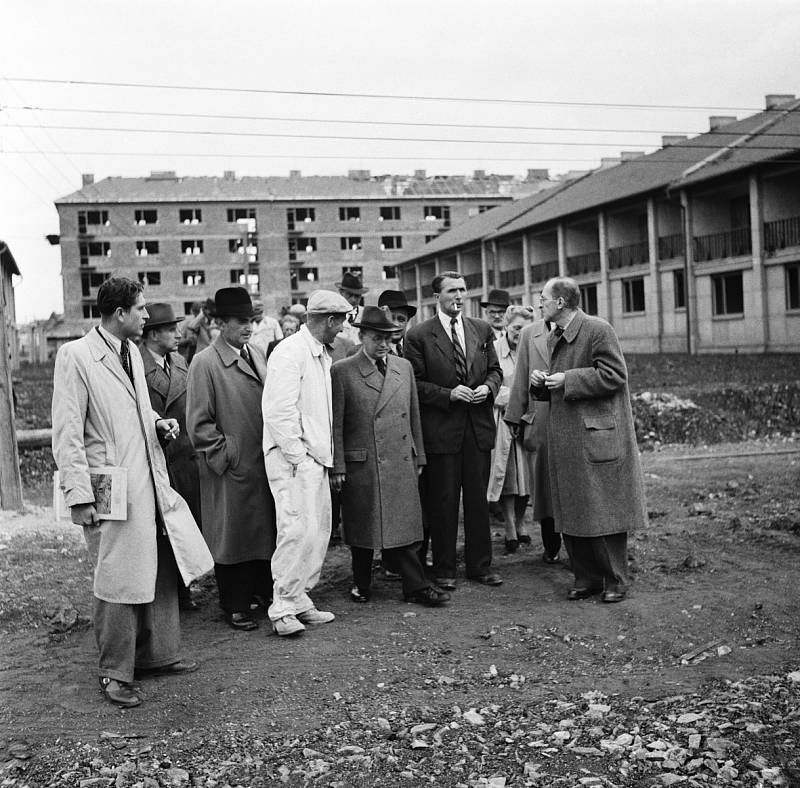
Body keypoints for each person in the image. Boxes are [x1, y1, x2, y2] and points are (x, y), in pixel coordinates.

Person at [52, 277, 212, 708]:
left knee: (156, 563)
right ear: (119, 313)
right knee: (117, 572)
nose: (146, 315)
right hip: (109, 485)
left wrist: (157, 423)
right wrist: (78, 495)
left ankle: (159, 655)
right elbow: (67, 431)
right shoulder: (77, 356)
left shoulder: (132, 356)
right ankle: (114, 672)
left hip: (148, 476)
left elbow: (137, 410)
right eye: (140, 309)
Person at [530, 277, 647, 603]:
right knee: (571, 510)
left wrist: (567, 379)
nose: (539, 303)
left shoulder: (597, 330)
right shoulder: (556, 336)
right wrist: (541, 382)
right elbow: (557, 388)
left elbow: (614, 375)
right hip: (567, 440)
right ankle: (586, 578)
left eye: (543, 298)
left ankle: (615, 581)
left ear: (561, 302)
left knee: (603, 510)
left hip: (596, 438)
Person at [330, 306, 450, 607]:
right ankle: (361, 583)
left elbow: (413, 415)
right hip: (364, 462)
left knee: (406, 527)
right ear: (362, 336)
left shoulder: (402, 367)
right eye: (376, 338)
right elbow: (337, 423)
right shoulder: (343, 370)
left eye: (388, 338)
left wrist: (419, 455)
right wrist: (339, 466)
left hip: (400, 458)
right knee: (363, 529)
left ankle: (416, 586)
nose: (383, 344)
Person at [262, 289, 354, 636]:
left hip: (313, 458)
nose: (342, 329)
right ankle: (281, 606)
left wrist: (318, 458)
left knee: (317, 531)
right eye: (340, 321)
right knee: (295, 530)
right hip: (291, 459)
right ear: (328, 320)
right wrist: (298, 457)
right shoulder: (290, 352)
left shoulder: (320, 355)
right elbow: (278, 411)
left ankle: (299, 598)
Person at [404, 271, 503, 590]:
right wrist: (448, 395)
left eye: (462, 290)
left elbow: (495, 371)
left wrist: (488, 388)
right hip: (442, 432)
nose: (459, 296)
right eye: (452, 291)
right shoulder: (419, 336)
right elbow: (414, 385)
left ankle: (480, 566)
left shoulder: (482, 329)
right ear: (437, 298)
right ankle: (444, 568)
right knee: (443, 502)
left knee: (477, 501)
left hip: (477, 429)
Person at [186, 287, 276, 631]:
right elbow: (198, 424)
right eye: (240, 321)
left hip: (259, 462)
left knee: (259, 531)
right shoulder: (204, 363)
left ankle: (256, 594)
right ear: (220, 323)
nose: (248, 327)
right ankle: (234, 604)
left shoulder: (256, 353)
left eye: (251, 320)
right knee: (232, 536)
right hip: (230, 468)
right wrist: (228, 455)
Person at [140, 302, 203, 610]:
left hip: (185, 456)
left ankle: (183, 587)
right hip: (155, 458)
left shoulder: (178, 361)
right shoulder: (135, 364)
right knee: (158, 529)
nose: (178, 334)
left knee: (184, 522)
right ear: (152, 335)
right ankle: (165, 594)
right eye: (170, 329)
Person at [504, 306, 562, 565]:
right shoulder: (530, 334)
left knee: (570, 485)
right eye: (539, 302)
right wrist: (514, 417)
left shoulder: (577, 331)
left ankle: (576, 546)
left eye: (545, 301)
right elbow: (519, 379)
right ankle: (551, 546)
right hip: (539, 421)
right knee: (544, 488)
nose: (542, 307)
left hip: (570, 420)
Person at [486, 305, 536, 553]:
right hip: (503, 420)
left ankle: (521, 521)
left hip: (528, 420)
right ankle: (508, 526)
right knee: (507, 474)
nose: (520, 333)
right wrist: (515, 403)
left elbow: (536, 386)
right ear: (506, 326)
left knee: (527, 476)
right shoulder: (494, 351)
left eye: (526, 329)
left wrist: (524, 410)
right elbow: (491, 386)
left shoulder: (534, 350)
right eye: (516, 327)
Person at [377, 289, 417, 357]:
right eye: (391, 319)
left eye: (401, 320)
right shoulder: (369, 352)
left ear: (408, 320)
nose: (396, 324)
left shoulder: (416, 349)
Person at [336, 271, 368, 343]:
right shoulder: (332, 314)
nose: (353, 300)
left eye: (357, 296)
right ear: (341, 292)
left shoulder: (366, 315)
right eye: (349, 294)